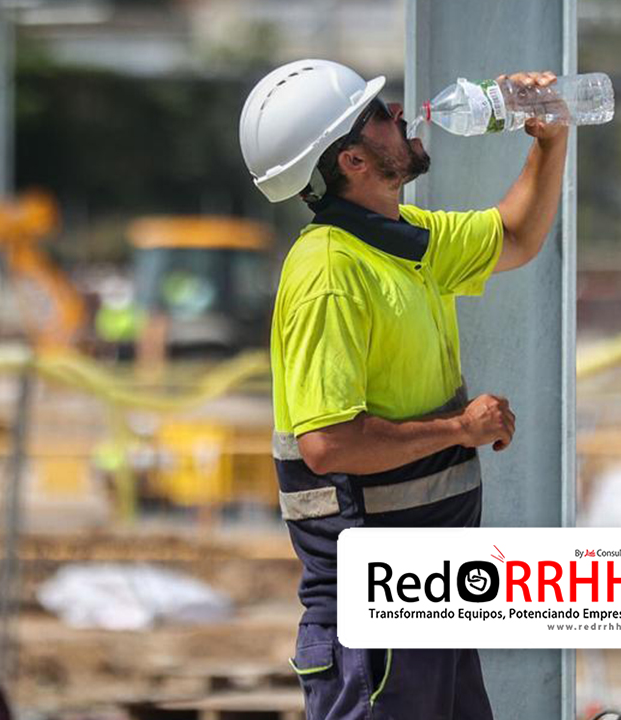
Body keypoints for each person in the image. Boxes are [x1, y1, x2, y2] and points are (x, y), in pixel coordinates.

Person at [239, 60, 568, 719]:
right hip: (375, 623)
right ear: (354, 159)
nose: (400, 114)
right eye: (380, 112)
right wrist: (459, 429)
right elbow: (328, 445)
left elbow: (514, 233)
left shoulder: (403, 243)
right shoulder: (331, 272)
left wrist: (550, 138)